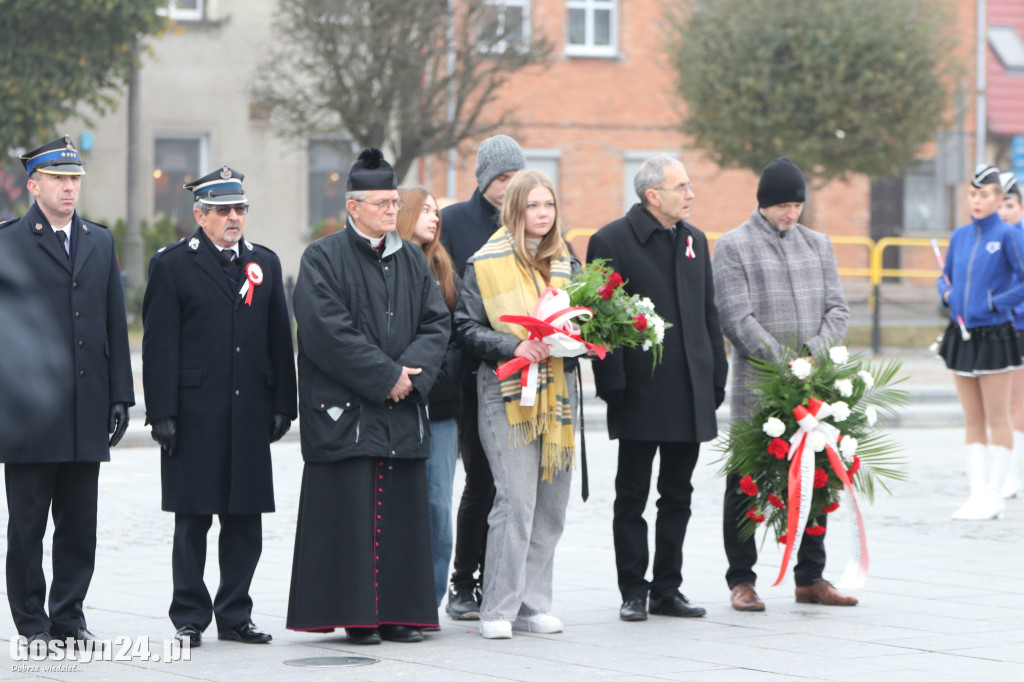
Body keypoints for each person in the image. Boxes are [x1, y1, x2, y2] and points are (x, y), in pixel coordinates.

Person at [287, 148, 450, 645]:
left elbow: (435, 322)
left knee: (402, 517)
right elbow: (326, 333)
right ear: (353, 207)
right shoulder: (322, 257)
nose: (389, 210)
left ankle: (400, 612)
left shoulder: (410, 260)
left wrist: (410, 376)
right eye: (381, 202)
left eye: (394, 202)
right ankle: (356, 615)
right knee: (350, 518)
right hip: (347, 414)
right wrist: (386, 376)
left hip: (400, 413)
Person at [142, 166, 297, 648]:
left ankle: (235, 613)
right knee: (192, 520)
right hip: (194, 413)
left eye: (240, 209)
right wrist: (161, 411)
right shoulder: (172, 264)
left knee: (245, 520)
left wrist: (283, 403)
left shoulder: (264, 263)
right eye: (224, 210)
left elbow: (279, 338)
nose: (234, 218)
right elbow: (159, 345)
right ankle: (190, 615)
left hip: (248, 411)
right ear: (200, 215)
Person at [0, 136, 134, 648]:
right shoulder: (10, 241)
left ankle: (70, 617)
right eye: (58, 179)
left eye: (75, 178)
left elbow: (113, 323)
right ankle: (31, 622)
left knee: (79, 524)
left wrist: (120, 393)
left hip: (85, 406)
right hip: (30, 410)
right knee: (28, 525)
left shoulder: (98, 241)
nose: (69, 187)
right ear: (34, 185)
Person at [587, 154, 728, 623]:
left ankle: (668, 588)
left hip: (689, 391)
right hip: (640, 393)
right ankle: (633, 589)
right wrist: (613, 387)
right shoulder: (610, 240)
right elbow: (601, 322)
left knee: (678, 495)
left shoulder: (693, 240)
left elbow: (709, 314)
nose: (691, 194)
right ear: (653, 196)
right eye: (682, 187)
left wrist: (715, 376)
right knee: (632, 494)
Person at [713, 156, 855, 610]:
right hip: (758, 387)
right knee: (746, 481)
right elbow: (736, 317)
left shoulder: (818, 243)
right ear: (764, 203)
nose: (791, 214)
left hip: (815, 388)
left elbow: (839, 309)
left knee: (816, 480)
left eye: (797, 205)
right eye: (783, 206)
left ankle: (810, 577)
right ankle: (742, 580)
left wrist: (812, 356)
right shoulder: (734, 246)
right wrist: (785, 364)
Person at [455, 169, 579, 639]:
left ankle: (534, 604)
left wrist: (580, 339)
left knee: (552, 503)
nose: (543, 214)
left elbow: (589, 319)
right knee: (516, 500)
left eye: (548, 205)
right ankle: (498, 610)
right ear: (515, 209)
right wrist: (514, 346)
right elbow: (465, 327)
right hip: (504, 391)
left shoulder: (567, 261)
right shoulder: (485, 262)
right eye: (533, 206)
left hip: (557, 393)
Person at [440, 134, 526, 620]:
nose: (509, 186)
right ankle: (463, 581)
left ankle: (504, 579)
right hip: (476, 372)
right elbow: (448, 298)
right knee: (483, 480)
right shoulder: (455, 222)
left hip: (529, 369)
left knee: (518, 485)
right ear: (483, 179)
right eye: (501, 178)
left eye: (516, 176)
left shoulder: (530, 217)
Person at [937, 164, 1024, 521]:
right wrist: (947, 294)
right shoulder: (959, 236)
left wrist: (993, 303)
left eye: (985, 194)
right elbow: (945, 277)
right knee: (972, 417)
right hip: (962, 334)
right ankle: (976, 494)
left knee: (997, 414)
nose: (977, 200)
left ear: (998, 198)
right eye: (973, 194)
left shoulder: (1007, 235)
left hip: (995, 334)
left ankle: (995, 494)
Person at [396, 186, 463, 608]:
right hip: (395, 403)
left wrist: (435, 380)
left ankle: (429, 600)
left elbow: (454, 337)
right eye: (425, 210)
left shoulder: (443, 266)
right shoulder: (389, 265)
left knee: (438, 505)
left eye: (437, 211)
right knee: (403, 506)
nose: (434, 218)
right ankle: (399, 595)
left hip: (439, 408)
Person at [998, 171, 1024, 500]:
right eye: (999, 204)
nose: (1004, 211)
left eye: (1010, 204)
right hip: (995, 329)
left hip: (1018, 327)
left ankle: (1013, 473)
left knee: (1015, 402)